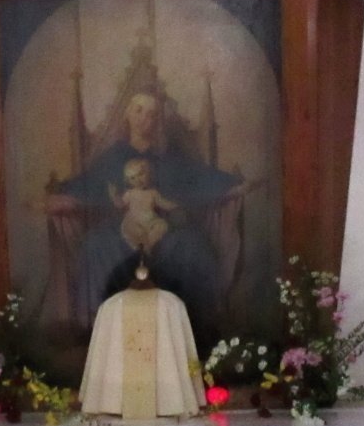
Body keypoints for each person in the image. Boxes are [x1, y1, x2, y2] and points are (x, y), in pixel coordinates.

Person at [46, 91, 241, 333]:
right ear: (127, 114)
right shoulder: (113, 156)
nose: (144, 118)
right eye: (138, 110)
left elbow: (200, 178)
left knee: (193, 247)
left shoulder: (169, 156)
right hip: (122, 228)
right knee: (94, 247)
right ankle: (100, 331)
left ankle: (193, 330)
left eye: (151, 114)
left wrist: (233, 186)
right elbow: (88, 183)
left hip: (165, 227)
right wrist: (61, 196)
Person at [109, 157, 176, 252]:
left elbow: (162, 203)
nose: (138, 180)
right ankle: (141, 248)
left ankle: (148, 246)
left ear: (148, 174)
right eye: (133, 178)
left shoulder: (153, 192)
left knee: (162, 226)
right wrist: (114, 196)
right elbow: (120, 204)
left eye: (140, 174)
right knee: (134, 231)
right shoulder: (130, 193)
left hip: (151, 221)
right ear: (128, 181)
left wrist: (173, 206)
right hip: (134, 221)